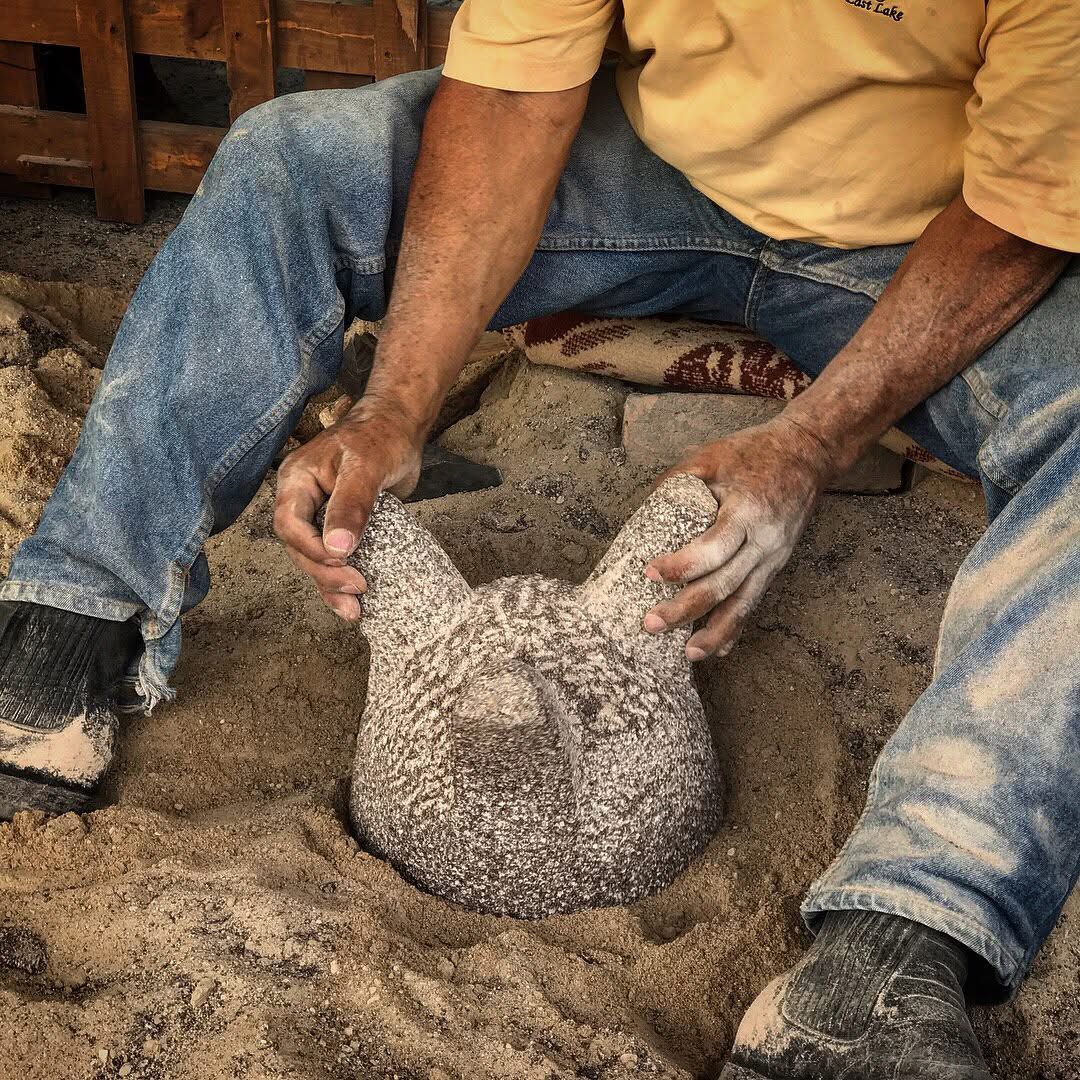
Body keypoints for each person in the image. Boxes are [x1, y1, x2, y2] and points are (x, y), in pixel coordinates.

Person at [0, 1, 1076, 1076]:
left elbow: (1021, 212)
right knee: (290, 156)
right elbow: (512, 98)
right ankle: (74, 610)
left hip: (928, 240)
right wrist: (395, 406)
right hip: (653, 176)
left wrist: (809, 440)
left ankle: (898, 937)